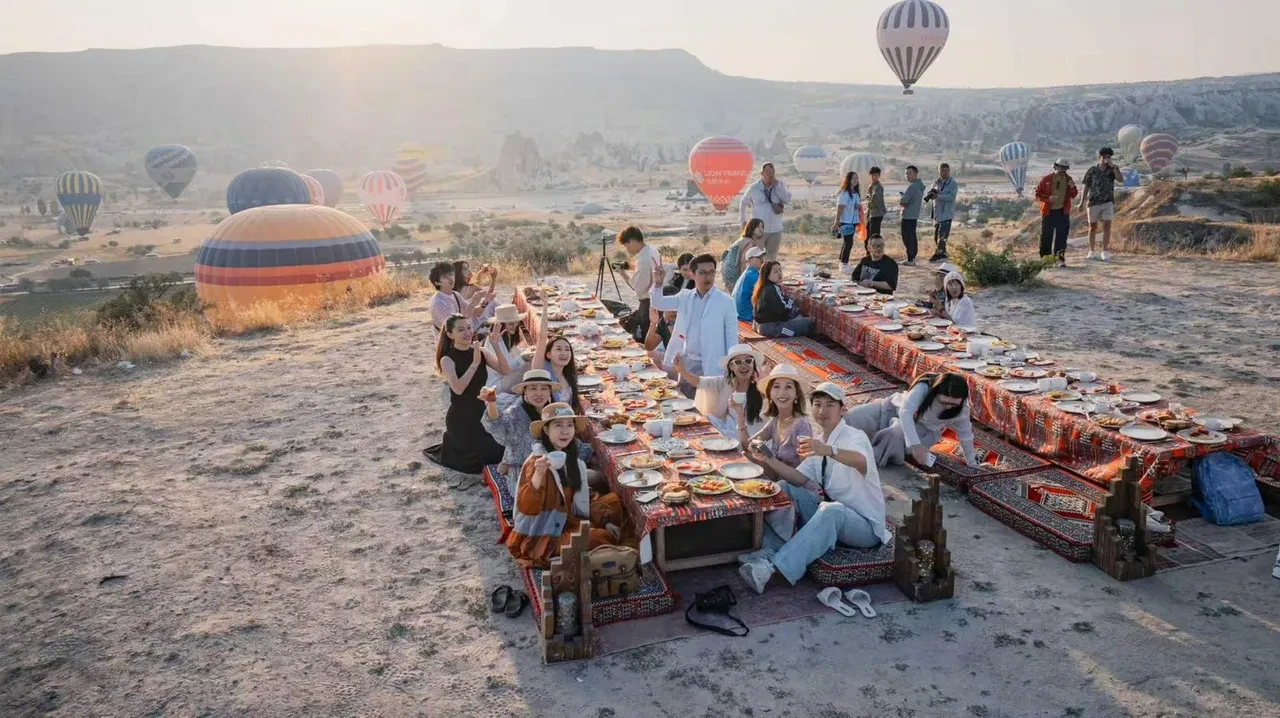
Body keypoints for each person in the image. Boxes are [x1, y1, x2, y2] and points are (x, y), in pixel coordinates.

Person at [738, 382, 888, 594]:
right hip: (834, 515)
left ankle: (773, 569)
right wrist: (768, 459)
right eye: (817, 405)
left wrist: (827, 450)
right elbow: (797, 478)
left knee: (832, 510)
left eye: (829, 405)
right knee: (782, 488)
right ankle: (771, 549)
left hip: (863, 527)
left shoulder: (854, 436)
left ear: (842, 409)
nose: (822, 411)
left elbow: (860, 461)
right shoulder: (818, 442)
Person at [507, 403, 624, 569]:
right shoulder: (537, 462)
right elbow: (527, 507)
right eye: (558, 425)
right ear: (546, 431)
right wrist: (538, 475)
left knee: (614, 501)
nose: (565, 431)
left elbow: (579, 500)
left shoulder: (572, 460)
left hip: (569, 520)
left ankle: (597, 541)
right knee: (597, 538)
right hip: (544, 533)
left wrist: (605, 521)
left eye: (570, 425)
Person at [424, 313, 506, 474]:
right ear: (450, 334)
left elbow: (505, 370)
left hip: (482, 414)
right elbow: (458, 389)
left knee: (504, 450)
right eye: (461, 329)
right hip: (462, 419)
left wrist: (495, 345)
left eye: (469, 327)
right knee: (488, 456)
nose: (467, 332)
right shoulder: (447, 359)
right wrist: (475, 363)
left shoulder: (481, 351)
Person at [843, 372, 978, 469]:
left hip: (920, 430)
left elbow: (965, 434)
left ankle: (858, 456)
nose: (948, 406)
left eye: (953, 404)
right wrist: (915, 446)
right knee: (852, 417)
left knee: (894, 435)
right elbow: (905, 412)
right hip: (890, 409)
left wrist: (971, 463)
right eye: (944, 402)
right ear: (935, 392)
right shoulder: (924, 387)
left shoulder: (962, 407)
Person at [647, 253, 738, 383]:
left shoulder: (726, 301)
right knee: (685, 400)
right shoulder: (685, 297)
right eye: (702, 273)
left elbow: (731, 337)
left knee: (709, 402)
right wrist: (658, 283)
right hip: (688, 362)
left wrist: (732, 365)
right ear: (692, 274)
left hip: (714, 363)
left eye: (711, 272)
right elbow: (658, 303)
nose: (708, 277)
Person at [480, 369, 560, 495]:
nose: (539, 393)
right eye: (533, 389)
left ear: (550, 391)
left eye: (544, 389)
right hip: (524, 471)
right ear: (525, 392)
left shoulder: (554, 409)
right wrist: (491, 403)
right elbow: (501, 428)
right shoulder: (516, 412)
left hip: (551, 464)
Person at [670, 344, 768, 438]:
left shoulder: (762, 386)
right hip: (728, 427)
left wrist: (764, 388)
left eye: (748, 361)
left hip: (751, 434)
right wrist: (682, 371)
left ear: (753, 364)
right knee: (701, 421)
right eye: (738, 362)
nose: (744, 365)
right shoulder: (727, 383)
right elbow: (701, 382)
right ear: (731, 367)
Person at [737, 364, 814, 473]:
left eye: (788, 387)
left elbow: (805, 472)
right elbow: (747, 446)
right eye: (777, 386)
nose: (782, 392)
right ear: (770, 394)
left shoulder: (801, 425)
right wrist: (739, 413)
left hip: (793, 486)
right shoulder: (776, 420)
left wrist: (768, 459)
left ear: (796, 394)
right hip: (774, 480)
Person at [615, 226, 662, 340]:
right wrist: (629, 267)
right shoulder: (651, 250)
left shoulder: (644, 259)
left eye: (627, 246)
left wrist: (622, 273)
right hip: (656, 300)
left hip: (648, 304)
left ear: (632, 241)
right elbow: (648, 271)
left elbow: (637, 287)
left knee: (647, 338)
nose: (627, 249)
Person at [738, 162, 792, 259]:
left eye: (772, 173)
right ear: (762, 174)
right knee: (755, 256)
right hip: (759, 230)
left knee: (771, 257)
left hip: (775, 229)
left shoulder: (779, 185)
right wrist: (743, 221)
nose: (770, 176)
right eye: (767, 173)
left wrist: (778, 188)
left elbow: (787, 200)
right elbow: (743, 202)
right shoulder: (754, 187)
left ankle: (768, 274)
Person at [1081, 147, 1124, 262]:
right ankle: (1092, 251)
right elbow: (1086, 186)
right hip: (1093, 201)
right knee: (1092, 227)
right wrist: (1081, 202)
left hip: (1107, 202)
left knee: (1107, 226)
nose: (1106, 159)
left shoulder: (1112, 169)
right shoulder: (1092, 170)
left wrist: (1113, 166)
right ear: (1099, 158)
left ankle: (1104, 251)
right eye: (1104, 157)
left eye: (1109, 157)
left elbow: (1120, 179)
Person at [752, 260, 814, 338]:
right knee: (808, 323)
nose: (780, 273)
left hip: (759, 325)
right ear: (767, 275)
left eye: (780, 270)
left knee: (799, 316)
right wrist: (793, 299)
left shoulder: (765, 286)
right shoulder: (771, 289)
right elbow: (784, 313)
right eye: (775, 272)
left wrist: (791, 301)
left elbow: (782, 303)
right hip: (771, 328)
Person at [1035, 158, 1078, 268]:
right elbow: (1038, 194)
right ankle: (1045, 259)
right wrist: (1048, 198)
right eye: (1061, 167)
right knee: (1046, 237)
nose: (1063, 170)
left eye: (1065, 168)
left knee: (1062, 237)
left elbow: (1074, 194)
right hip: (1048, 212)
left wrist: (1072, 186)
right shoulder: (1046, 179)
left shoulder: (1069, 180)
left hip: (1062, 212)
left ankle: (1059, 259)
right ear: (1055, 167)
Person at [429, 262, 493, 331]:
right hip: (450, 340)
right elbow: (457, 326)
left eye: (451, 274)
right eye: (445, 277)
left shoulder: (455, 294)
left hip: (462, 334)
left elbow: (476, 312)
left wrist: (485, 301)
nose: (451, 279)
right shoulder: (438, 302)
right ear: (437, 282)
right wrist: (473, 302)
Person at [924, 163, 958, 262]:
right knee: (936, 236)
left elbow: (951, 197)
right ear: (939, 171)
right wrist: (930, 194)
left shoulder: (952, 183)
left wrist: (938, 196)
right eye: (942, 171)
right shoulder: (936, 182)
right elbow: (931, 191)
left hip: (946, 213)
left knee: (942, 236)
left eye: (946, 171)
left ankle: (938, 254)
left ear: (949, 171)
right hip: (937, 213)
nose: (944, 173)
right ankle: (943, 253)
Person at [722, 219, 764, 291]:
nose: (761, 229)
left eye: (762, 227)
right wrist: (744, 280)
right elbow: (744, 261)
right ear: (751, 228)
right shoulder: (749, 242)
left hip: (727, 272)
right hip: (733, 273)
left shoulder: (744, 240)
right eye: (758, 227)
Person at [832, 171, 862, 271]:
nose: (855, 180)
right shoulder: (845, 194)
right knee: (848, 242)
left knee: (847, 242)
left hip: (853, 221)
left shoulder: (856, 194)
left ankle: (843, 262)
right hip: (846, 221)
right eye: (853, 178)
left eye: (857, 178)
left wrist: (858, 207)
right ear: (848, 180)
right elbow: (840, 208)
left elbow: (857, 206)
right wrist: (837, 222)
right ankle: (844, 264)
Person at [899, 165, 925, 266]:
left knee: (907, 237)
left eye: (909, 173)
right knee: (912, 236)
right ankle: (912, 257)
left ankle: (910, 258)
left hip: (908, 215)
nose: (907, 176)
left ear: (915, 174)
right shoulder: (919, 185)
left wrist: (902, 198)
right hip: (914, 215)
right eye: (906, 174)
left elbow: (903, 201)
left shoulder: (912, 186)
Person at [733, 247, 767, 322]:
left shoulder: (746, 274)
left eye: (762, 257)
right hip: (747, 317)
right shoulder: (753, 275)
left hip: (739, 315)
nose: (762, 259)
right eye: (758, 257)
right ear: (749, 260)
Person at [865, 166, 886, 244]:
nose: (874, 177)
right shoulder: (871, 186)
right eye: (873, 175)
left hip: (876, 214)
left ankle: (874, 251)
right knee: (869, 233)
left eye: (876, 175)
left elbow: (873, 202)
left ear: (879, 176)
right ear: (870, 176)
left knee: (874, 235)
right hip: (872, 213)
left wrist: (869, 201)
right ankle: (870, 250)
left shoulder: (878, 187)